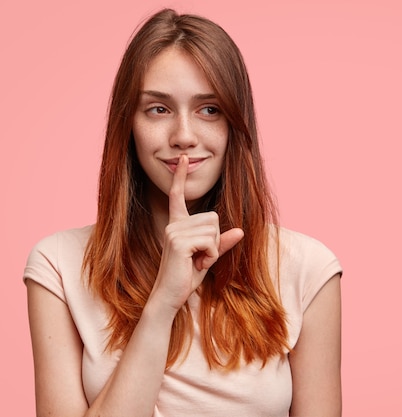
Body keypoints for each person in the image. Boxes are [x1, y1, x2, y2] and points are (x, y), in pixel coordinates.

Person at [23, 8, 342, 417]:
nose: (184, 137)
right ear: (129, 124)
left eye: (210, 110)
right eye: (158, 109)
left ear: (235, 126)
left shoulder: (307, 269)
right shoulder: (58, 266)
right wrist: (162, 303)